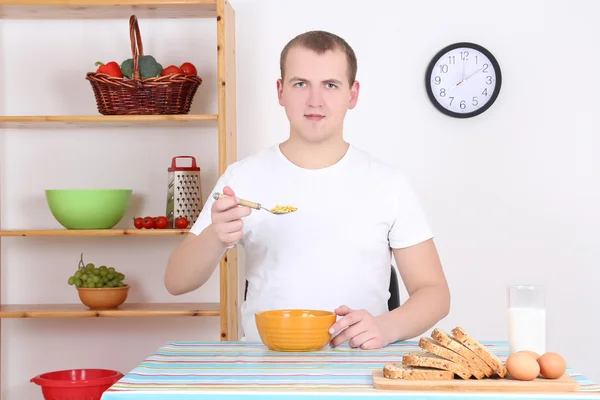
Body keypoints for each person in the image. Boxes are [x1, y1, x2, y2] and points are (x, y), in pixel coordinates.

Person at [164, 30, 450, 349]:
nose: (315, 100)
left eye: (330, 85)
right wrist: (215, 236)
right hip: (265, 368)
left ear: (352, 94)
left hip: (361, 366)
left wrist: (387, 327)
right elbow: (176, 282)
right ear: (281, 91)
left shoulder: (388, 184)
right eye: (300, 84)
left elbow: (434, 293)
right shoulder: (242, 179)